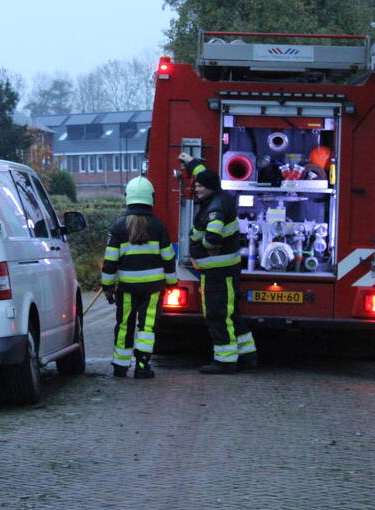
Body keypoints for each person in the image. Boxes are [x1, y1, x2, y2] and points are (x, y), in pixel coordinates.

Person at [179, 153, 259, 374]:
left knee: (218, 315)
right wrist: (191, 162)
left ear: (211, 188)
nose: (196, 189)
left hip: (218, 272)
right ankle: (247, 355)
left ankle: (224, 361)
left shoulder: (215, 207)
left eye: (200, 187)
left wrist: (202, 243)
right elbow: (205, 177)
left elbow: (213, 236)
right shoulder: (217, 196)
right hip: (221, 271)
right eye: (196, 185)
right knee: (231, 314)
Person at [100, 176, 177, 379]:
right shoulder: (159, 226)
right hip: (153, 288)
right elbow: (168, 258)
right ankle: (142, 367)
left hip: (126, 288)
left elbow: (110, 261)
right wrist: (172, 282)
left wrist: (107, 286)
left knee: (124, 324)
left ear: (128, 198)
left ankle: (120, 366)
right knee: (147, 326)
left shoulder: (118, 226)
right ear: (151, 198)